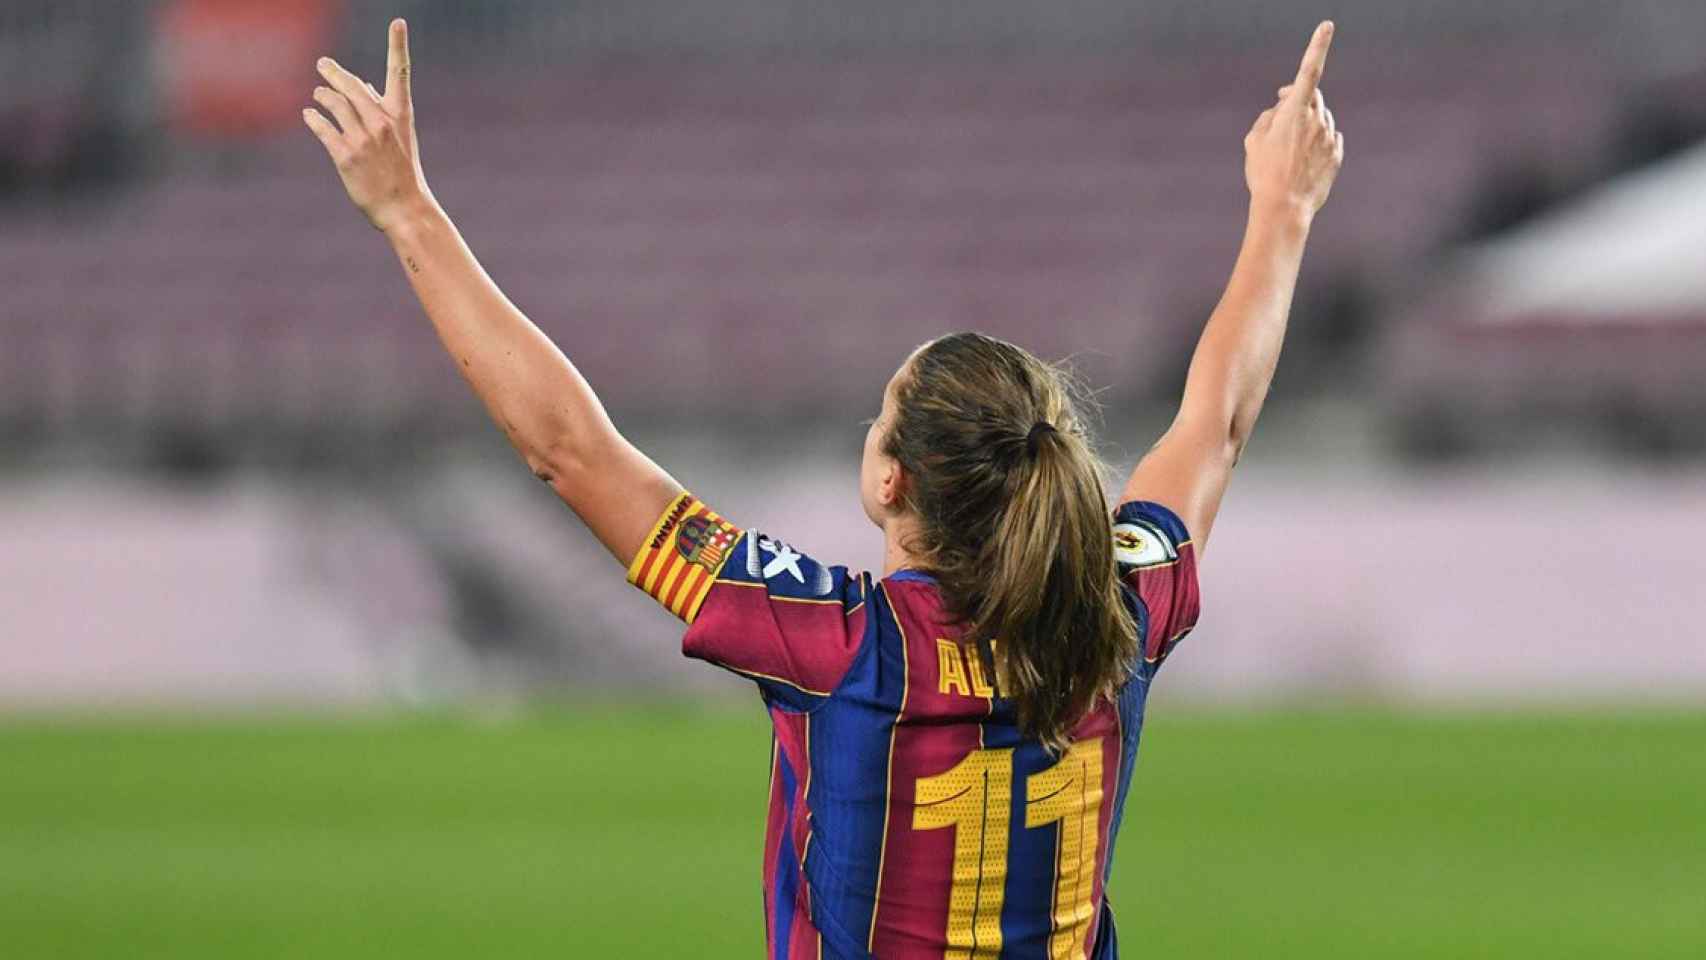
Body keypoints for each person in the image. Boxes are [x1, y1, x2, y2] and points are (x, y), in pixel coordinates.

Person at [303, 18, 1342, 959]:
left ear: (891, 481)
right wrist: (1281, 211)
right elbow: (1214, 425)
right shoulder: (1119, 612)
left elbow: (569, 452)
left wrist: (406, 211)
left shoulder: (837, 645)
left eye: (882, 405)